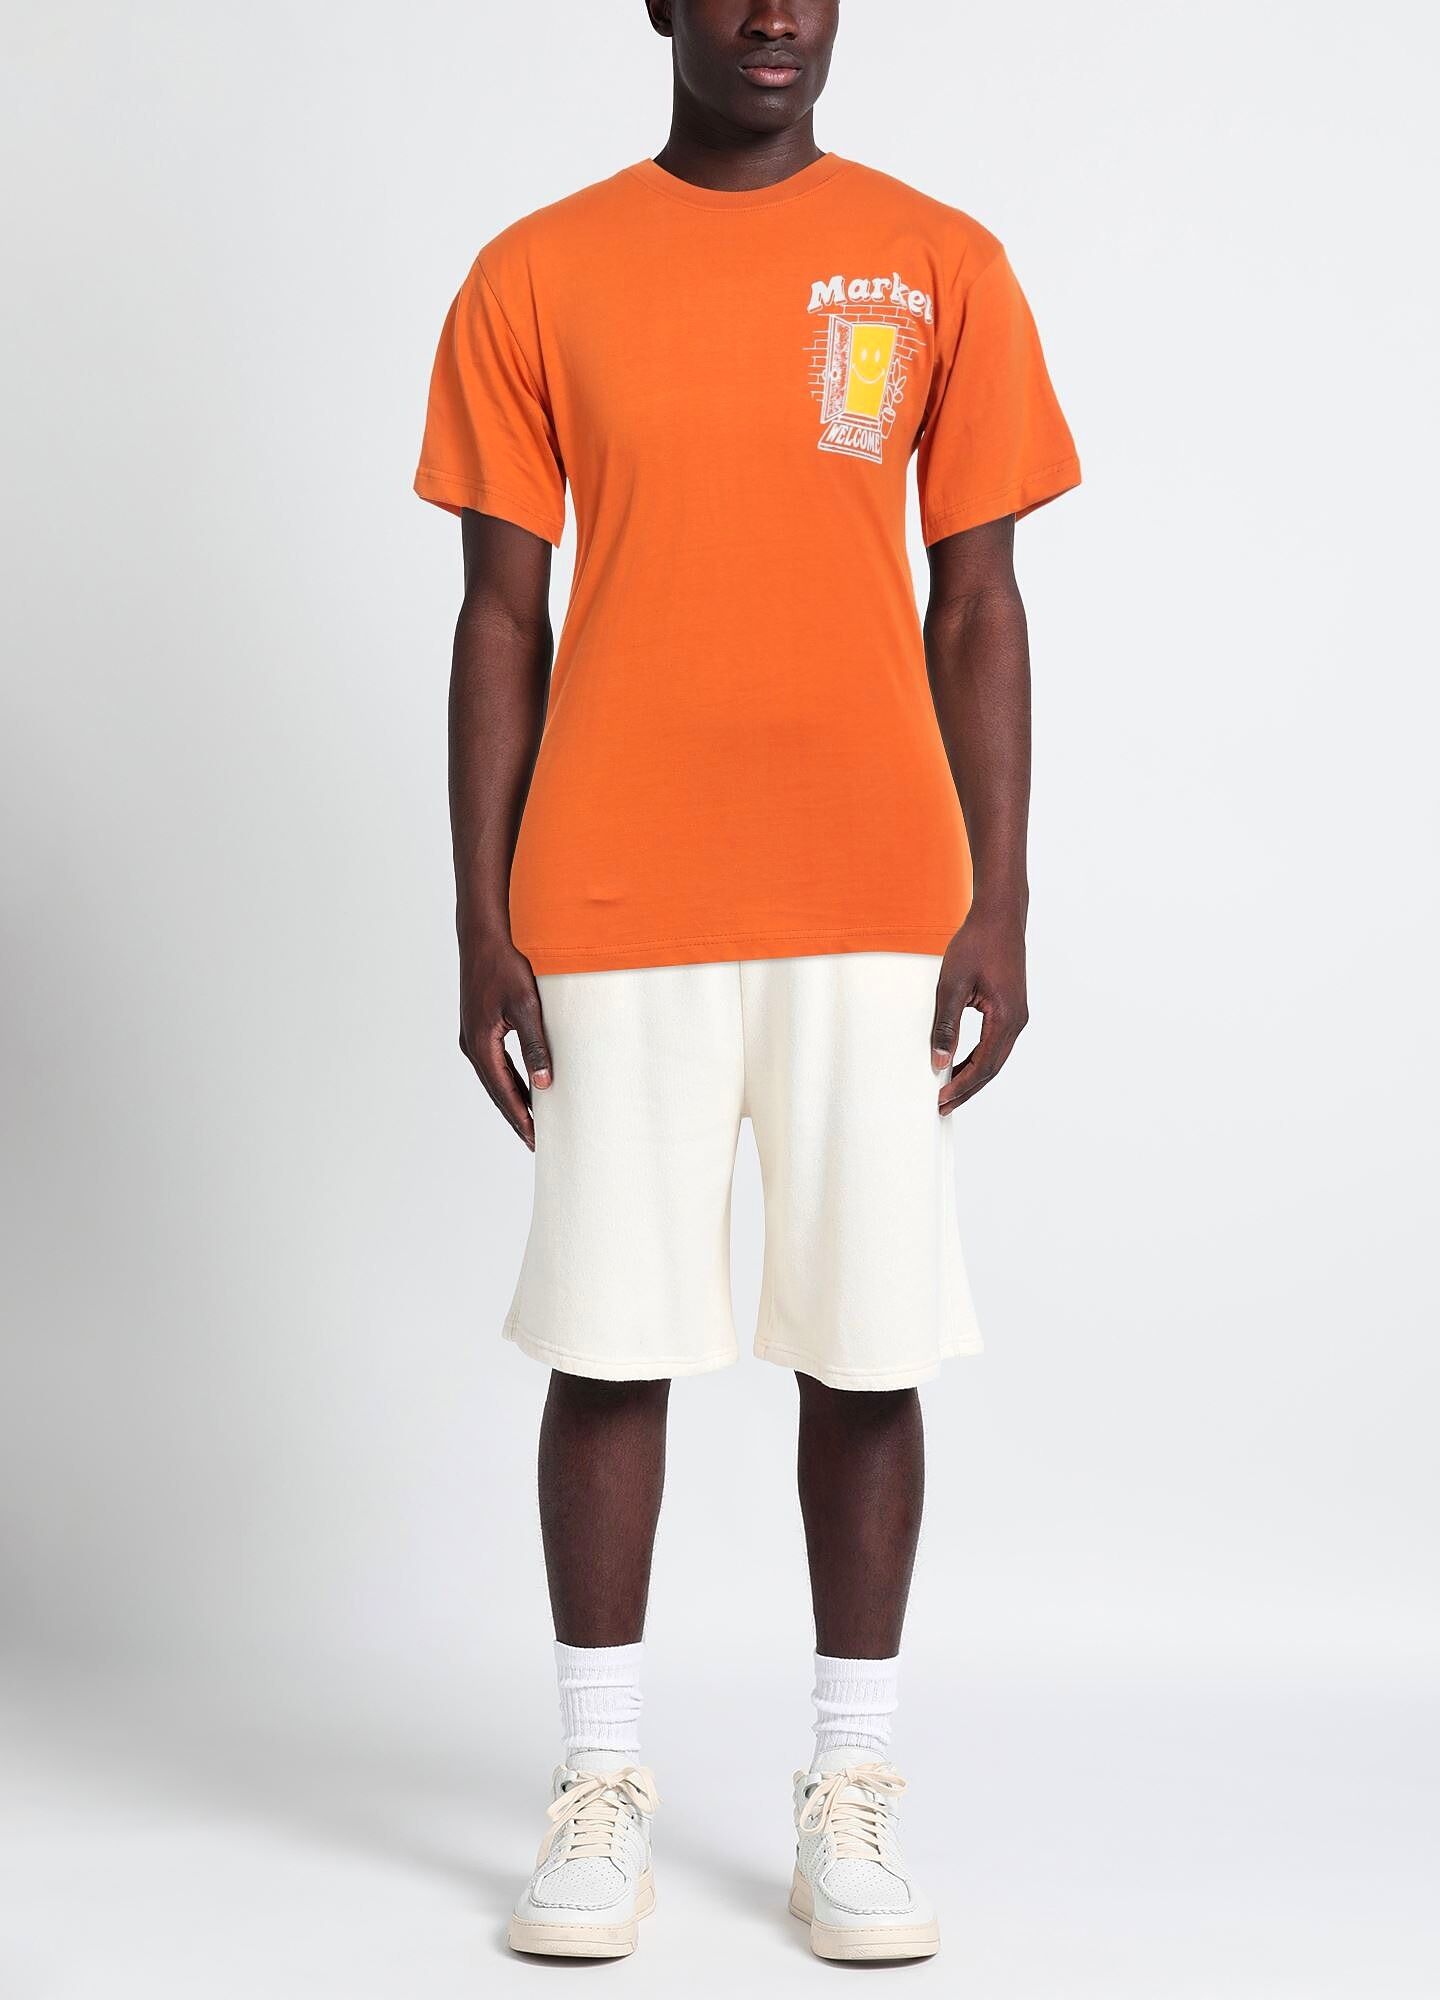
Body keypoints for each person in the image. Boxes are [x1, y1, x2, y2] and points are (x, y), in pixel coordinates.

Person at [415, 0, 1078, 1963]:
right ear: (660, 3)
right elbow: (498, 615)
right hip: (609, 888)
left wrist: (1001, 898)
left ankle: (850, 1786)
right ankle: (599, 1782)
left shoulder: (940, 262)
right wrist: (479, 919)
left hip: (877, 891)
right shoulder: (536, 275)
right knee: (608, 1335)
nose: (775, 11)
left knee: (868, 1342)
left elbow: (980, 599)